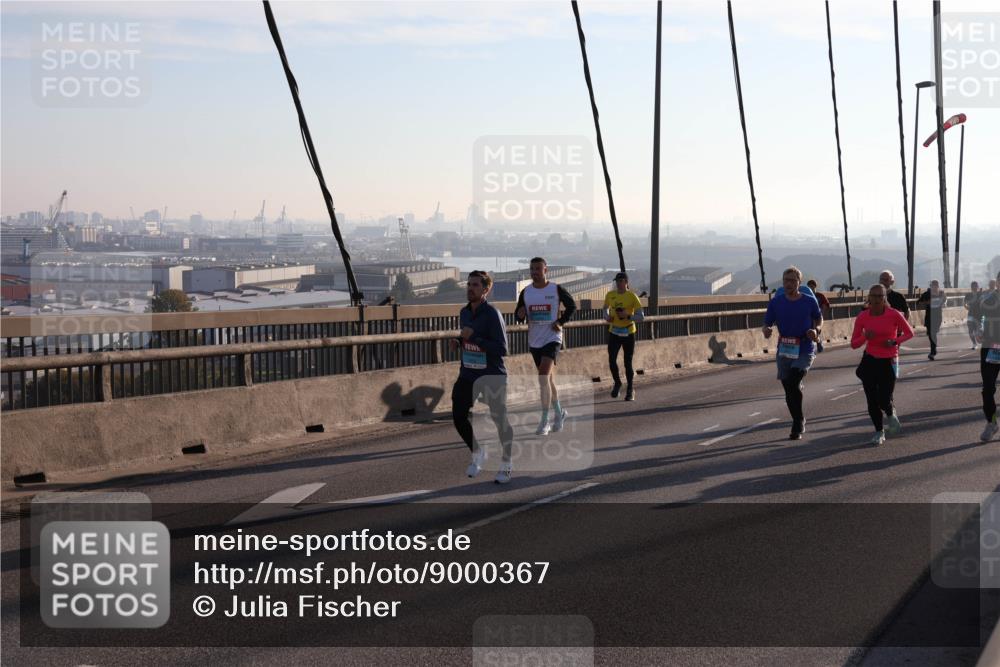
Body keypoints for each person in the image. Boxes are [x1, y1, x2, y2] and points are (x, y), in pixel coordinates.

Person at [450, 270, 515, 484]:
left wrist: (475, 338)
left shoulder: (493, 314)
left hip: (491, 375)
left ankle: (506, 464)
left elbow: (502, 349)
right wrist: (459, 341)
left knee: (499, 419)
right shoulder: (464, 313)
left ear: (486, 289)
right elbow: (466, 336)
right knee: (458, 416)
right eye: (469, 284)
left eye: (475, 285)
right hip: (468, 373)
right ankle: (478, 452)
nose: (470, 288)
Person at [515, 257, 577, 436]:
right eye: (532, 269)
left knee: (543, 377)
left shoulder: (556, 289)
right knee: (548, 380)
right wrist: (520, 315)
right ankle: (559, 412)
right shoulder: (526, 292)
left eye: (538, 269)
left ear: (545, 270)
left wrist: (560, 321)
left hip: (552, 337)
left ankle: (545, 420)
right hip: (535, 340)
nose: (534, 272)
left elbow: (572, 306)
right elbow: (519, 315)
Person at [763, 266, 823, 440]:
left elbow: (819, 318)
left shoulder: (808, 301)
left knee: (793, 381)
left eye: (792, 280)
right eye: (786, 280)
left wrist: (816, 330)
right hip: (785, 348)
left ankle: (797, 423)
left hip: (804, 347)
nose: (788, 283)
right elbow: (767, 323)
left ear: (799, 283)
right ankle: (799, 417)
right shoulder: (776, 302)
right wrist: (766, 330)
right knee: (789, 388)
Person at [850, 284, 914, 446]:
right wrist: (865, 336)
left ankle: (890, 412)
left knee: (884, 399)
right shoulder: (863, 316)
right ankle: (879, 432)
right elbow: (854, 344)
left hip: (889, 360)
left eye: (880, 296)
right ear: (869, 298)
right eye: (874, 296)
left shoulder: (894, 314)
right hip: (870, 360)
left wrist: (894, 341)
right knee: (872, 400)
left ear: (885, 298)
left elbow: (910, 333)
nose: (877, 299)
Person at [604, 272, 644, 400]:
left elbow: (641, 317)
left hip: (628, 332)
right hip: (614, 332)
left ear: (626, 282)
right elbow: (605, 308)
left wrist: (627, 316)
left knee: (627, 362)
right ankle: (617, 382)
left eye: (621, 281)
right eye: (617, 281)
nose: (618, 284)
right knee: (612, 360)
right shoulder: (610, 295)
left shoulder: (632, 296)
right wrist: (607, 316)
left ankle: (630, 389)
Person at [976, 272, 1000, 442]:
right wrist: (979, 330)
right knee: (988, 389)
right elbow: (979, 318)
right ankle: (991, 422)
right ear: (997, 282)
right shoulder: (987, 300)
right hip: (991, 348)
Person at [917, 280, 946, 360]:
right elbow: (918, 303)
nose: (935, 287)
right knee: (931, 334)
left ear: (938, 286)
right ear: (931, 286)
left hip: (937, 317)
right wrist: (926, 302)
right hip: (929, 317)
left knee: (933, 333)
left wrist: (942, 302)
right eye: (933, 286)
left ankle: (933, 351)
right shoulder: (926, 294)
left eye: (936, 286)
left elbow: (944, 301)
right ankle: (933, 351)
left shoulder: (941, 293)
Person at [807, 280, 830, 353]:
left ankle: (818, 343)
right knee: (810, 331)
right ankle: (816, 343)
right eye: (809, 287)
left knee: (816, 330)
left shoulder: (820, 296)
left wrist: (821, 313)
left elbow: (826, 304)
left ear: (815, 287)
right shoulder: (806, 296)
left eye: (812, 287)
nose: (811, 289)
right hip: (809, 317)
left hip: (817, 317)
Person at [964, 281, 982, 349]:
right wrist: (966, 306)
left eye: (975, 286)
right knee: (970, 330)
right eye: (973, 286)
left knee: (978, 332)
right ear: (971, 287)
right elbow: (965, 303)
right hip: (970, 315)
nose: (974, 288)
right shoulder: (968, 295)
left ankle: (979, 338)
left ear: (978, 287)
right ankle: (974, 344)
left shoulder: (980, 294)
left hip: (979, 315)